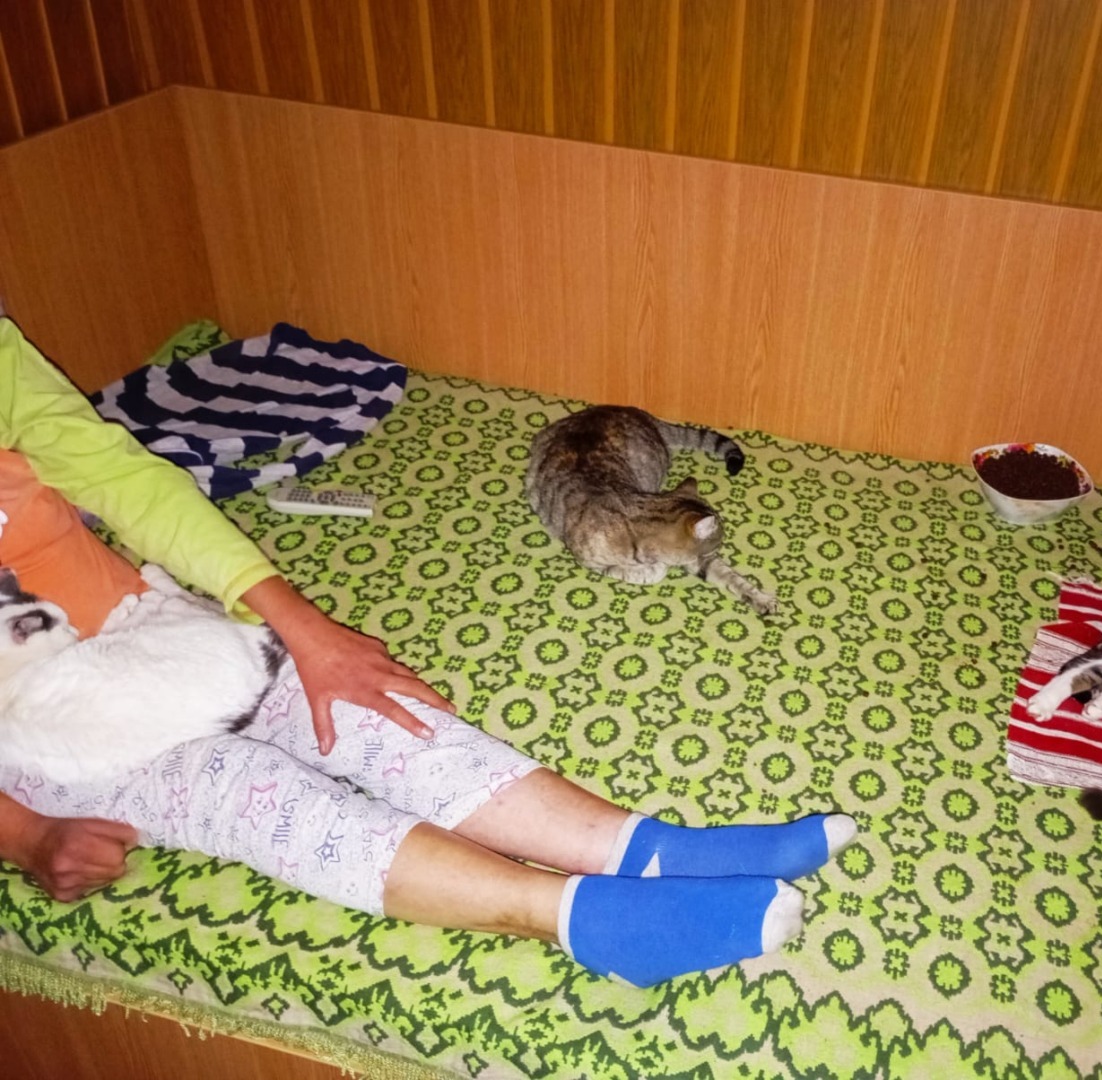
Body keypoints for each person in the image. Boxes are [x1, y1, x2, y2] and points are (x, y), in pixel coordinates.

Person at [0, 318, 855, 987]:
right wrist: (27, 835)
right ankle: (584, 921)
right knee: (238, 783)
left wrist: (306, 629)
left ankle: (652, 851)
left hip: (155, 633)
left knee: (375, 709)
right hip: (35, 719)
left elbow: (121, 477)